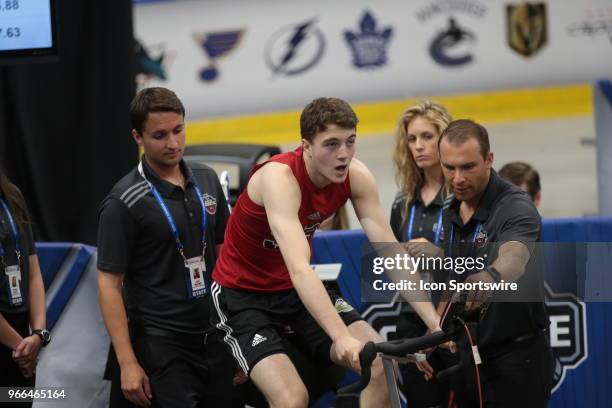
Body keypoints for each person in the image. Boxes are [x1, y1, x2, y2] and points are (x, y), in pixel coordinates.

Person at [210, 97, 444, 408]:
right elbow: (300, 268)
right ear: (305, 145)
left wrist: (433, 320)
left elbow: (390, 253)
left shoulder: (355, 176)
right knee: (292, 399)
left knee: (380, 362)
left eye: (350, 142)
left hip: (293, 292)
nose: (343, 154)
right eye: (331, 144)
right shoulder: (279, 179)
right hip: (243, 297)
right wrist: (342, 337)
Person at [97, 87, 234, 408]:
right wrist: (128, 362)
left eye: (178, 130)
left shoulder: (207, 179)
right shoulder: (123, 202)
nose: (173, 143)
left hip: (216, 336)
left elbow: (226, 252)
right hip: (162, 345)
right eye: (160, 135)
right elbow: (108, 285)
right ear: (137, 137)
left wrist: (236, 330)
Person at [438, 119, 553, 407]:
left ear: (489, 160)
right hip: (469, 358)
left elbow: (515, 256)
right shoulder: (449, 210)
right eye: (449, 167)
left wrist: (490, 276)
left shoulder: (515, 206)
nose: (457, 178)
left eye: (467, 167)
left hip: (516, 361)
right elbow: (452, 279)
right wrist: (436, 329)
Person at [390, 100, 463, 407]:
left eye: (427, 137)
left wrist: (440, 254)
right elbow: (390, 262)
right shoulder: (402, 202)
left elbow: (486, 260)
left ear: (445, 138)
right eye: (412, 139)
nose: (418, 146)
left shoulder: (464, 194)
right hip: (413, 320)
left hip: (456, 321)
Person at [0, 172, 49, 408]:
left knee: (17, 399)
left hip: (22, 338)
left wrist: (38, 334)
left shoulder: (12, 196)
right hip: (14, 342)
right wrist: (22, 348)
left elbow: (34, 274)